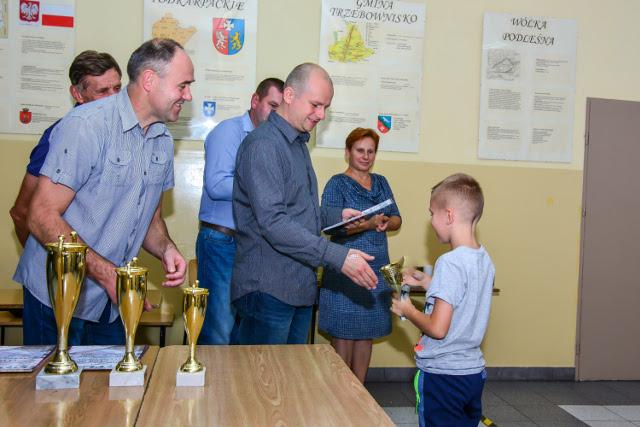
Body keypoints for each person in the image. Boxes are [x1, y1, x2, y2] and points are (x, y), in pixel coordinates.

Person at [13, 38, 193, 345]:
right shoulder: (86, 125)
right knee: (54, 378)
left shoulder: (162, 139)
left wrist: (166, 249)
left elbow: (150, 220)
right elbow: (41, 216)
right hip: (58, 296)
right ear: (150, 80)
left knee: (109, 377)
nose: (188, 95)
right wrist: (107, 273)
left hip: (110, 302)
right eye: (183, 85)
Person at [232, 63, 379, 345]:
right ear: (289, 95)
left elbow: (297, 210)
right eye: (315, 105)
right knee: (261, 373)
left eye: (326, 107)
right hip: (269, 288)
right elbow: (274, 222)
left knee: (293, 372)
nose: (321, 115)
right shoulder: (264, 145)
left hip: (298, 285)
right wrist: (337, 257)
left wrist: (336, 216)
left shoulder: (297, 143)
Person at [391, 173, 495, 427]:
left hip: (443, 376)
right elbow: (464, 297)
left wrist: (408, 310)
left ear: (448, 215)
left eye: (431, 213)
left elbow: (438, 329)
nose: (430, 221)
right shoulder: (484, 259)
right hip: (472, 373)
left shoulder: (449, 262)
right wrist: (428, 282)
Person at [196, 77, 284, 344]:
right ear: (255, 101)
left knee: (242, 331)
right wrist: (263, 187)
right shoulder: (228, 131)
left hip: (250, 245)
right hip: (221, 241)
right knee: (219, 329)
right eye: (272, 105)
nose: (275, 114)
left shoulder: (272, 141)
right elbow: (216, 185)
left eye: (280, 109)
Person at [10, 50, 122, 247]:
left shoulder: (120, 134)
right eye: (103, 91)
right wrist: (47, 261)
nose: (114, 99)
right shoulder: (59, 136)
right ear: (77, 94)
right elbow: (21, 212)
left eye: (117, 88)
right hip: (63, 259)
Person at [318, 127, 401, 383]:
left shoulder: (382, 182)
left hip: (376, 270)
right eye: (360, 151)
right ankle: (340, 392)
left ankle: (360, 392)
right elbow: (331, 228)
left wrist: (387, 222)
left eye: (370, 152)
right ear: (348, 152)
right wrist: (367, 224)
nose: (365, 156)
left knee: (367, 333)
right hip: (344, 269)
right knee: (343, 334)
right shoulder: (336, 184)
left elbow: (398, 218)